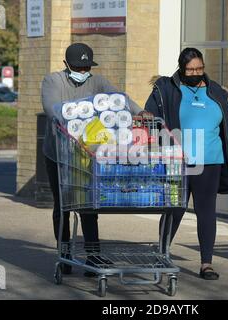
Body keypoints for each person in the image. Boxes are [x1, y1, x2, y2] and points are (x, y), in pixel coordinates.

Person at [41, 43, 144, 275]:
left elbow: (120, 99)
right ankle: (65, 254)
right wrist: (75, 116)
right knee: (63, 205)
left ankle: (93, 255)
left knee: (89, 204)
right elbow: (52, 109)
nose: (83, 70)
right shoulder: (53, 81)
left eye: (86, 66)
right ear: (66, 65)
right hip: (59, 153)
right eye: (78, 67)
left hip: (86, 154)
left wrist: (139, 112)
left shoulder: (97, 82)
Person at [144, 48, 228, 280]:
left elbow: (227, 124)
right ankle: (161, 253)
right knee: (175, 209)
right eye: (190, 70)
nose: (195, 73)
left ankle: (206, 264)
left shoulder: (216, 91)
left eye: (199, 68)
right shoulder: (166, 88)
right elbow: (149, 115)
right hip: (178, 159)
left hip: (210, 160)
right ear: (181, 68)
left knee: (206, 211)